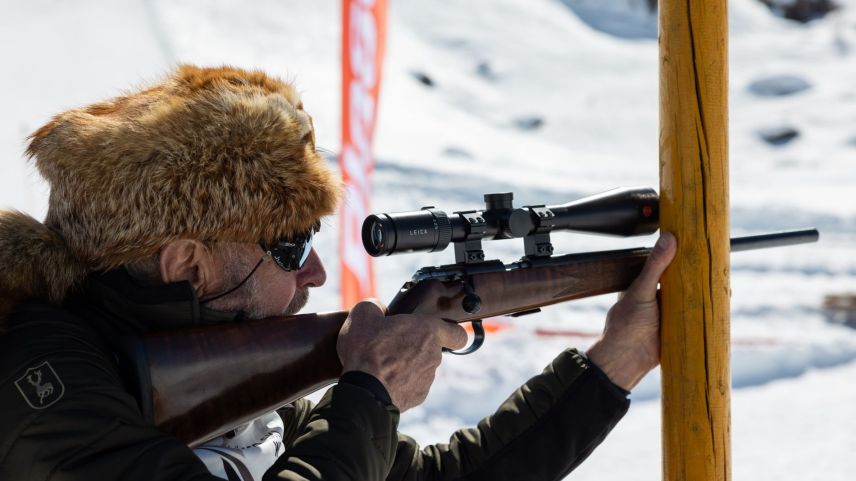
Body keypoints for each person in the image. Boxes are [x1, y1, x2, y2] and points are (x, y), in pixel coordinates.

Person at [0, 65, 677, 481]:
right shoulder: (41, 381)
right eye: (288, 247)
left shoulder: (230, 375)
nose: (317, 273)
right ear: (188, 263)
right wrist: (367, 395)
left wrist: (614, 362)